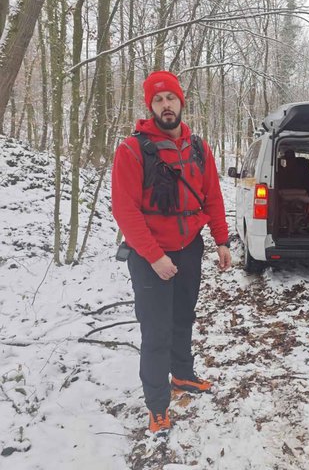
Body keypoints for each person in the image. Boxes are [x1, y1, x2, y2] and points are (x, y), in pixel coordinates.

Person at [111, 70, 232, 434]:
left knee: (183, 318)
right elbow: (125, 211)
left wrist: (221, 240)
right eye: (158, 100)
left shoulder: (198, 147)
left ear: (181, 101)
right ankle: (158, 404)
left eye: (171, 98)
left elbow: (212, 197)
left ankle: (182, 375)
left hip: (189, 249)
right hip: (150, 257)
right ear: (150, 107)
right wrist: (154, 256)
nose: (166, 106)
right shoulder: (132, 150)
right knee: (156, 330)